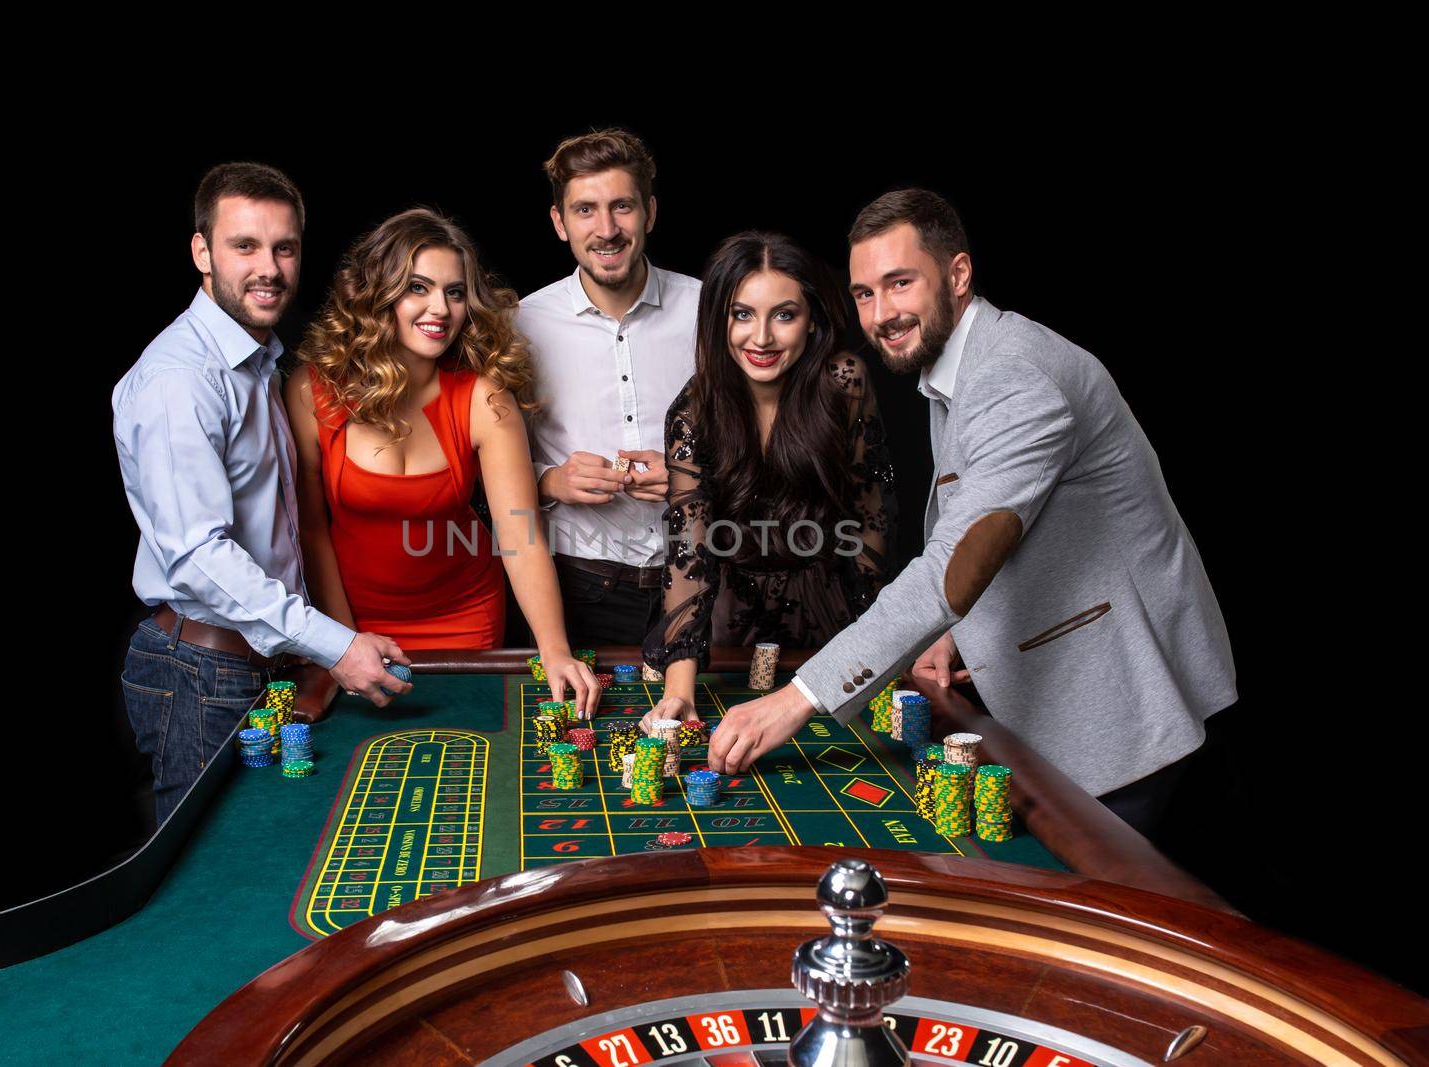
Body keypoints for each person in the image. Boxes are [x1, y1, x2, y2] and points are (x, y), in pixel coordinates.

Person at [709, 189, 1235, 836]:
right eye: (865, 293)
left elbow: (952, 565)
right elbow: (994, 517)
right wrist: (949, 632)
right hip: (1064, 686)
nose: (881, 313)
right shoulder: (958, 366)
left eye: (900, 283)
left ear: (958, 274)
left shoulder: (1015, 379)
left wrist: (798, 699)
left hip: (1120, 699)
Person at [113, 162, 410, 825]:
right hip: (198, 673)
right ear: (202, 252)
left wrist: (308, 649)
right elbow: (198, 557)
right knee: (207, 888)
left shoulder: (258, 362)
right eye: (244, 246)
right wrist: (334, 644)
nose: (268, 267)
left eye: (284, 247)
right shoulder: (179, 380)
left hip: (257, 663)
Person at [286, 208, 599, 718]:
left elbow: (519, 532)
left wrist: (554, 648)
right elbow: (313, 532)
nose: (441, 308)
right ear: (377, 294)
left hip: (467, 619)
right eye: (418, 287)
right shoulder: (313, 391)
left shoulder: (483, 397)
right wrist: (340, 645)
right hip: (357, 625)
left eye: (455, 292)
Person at [640, 232, 895, 728]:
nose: (761, 338)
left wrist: (876, 644)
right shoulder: (693, 412)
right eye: (742, 314)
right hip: (725, 620)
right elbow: (689, 549)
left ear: (812, 321)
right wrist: (679, 692)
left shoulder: (844, 383)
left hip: (828, 613)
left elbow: (872, 522)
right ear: (718, 320)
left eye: (784, 314)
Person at [516, 128, 701, 646]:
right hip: (579, 587)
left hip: (701, 578)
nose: (606, 229)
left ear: (650, 213)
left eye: (622, 206)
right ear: (559, 222)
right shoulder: (520, 325)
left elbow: (762, 441)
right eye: (585, 210)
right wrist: (550, 481)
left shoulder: (710, 312)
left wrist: (695, 476)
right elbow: (479, 469)